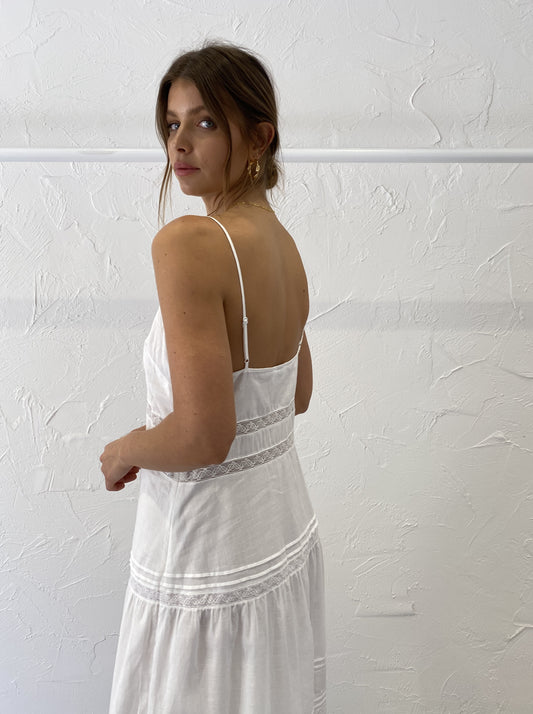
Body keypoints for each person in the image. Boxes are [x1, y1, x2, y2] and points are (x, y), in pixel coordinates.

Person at [100, 41, 326, 714]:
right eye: (171, 124)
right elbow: (296, 395)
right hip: (276, 534)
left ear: (259, 136)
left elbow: (204, 436)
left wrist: (124, 449)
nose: (180, 143)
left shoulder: (189, 243)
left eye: (203, 122)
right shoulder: (282, 244)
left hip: (208, 557)